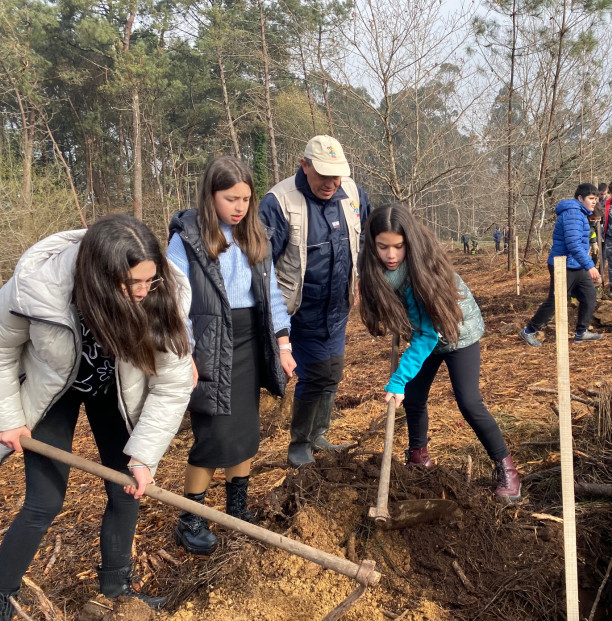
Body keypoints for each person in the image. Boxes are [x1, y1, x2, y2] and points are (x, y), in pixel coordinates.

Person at [0, 215, 194, 621]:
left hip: (116, 388)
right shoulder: (36, 285)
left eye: (151, 278)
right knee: (44, 502)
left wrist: (143, 456)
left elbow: (172, 383)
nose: (144, 291)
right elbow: (1, 348)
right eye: (133, 283)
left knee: (127, 489)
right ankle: (1, 601)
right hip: (53, 386)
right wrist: (9, 417)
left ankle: (116, 590)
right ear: (100, 276)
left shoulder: (165, 294)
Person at [167, 157, 295, 555]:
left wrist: (283, 343)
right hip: (208, 346)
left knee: (244, 433)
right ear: (210, 196)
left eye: (245, 199)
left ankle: (236, 509)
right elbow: (174, 302)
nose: (239, 207)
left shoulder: (256, 234)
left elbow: (271, 293)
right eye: (230, 199)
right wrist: (184, 353)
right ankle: (191, 518)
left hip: (250, 344)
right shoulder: (186, 238)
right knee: (213, 436)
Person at [358, 203, 521, 502]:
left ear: (410, 243)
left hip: (457, 331)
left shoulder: (422, 270)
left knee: (469, 402)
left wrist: (397, 380)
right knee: (415, 398)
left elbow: (427, 335)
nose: (391, 255)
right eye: (383, 247)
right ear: (372, 244)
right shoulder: (375, 266)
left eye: (398, 246)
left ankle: (507, 469)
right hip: (425, 332)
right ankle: (419, 457)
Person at [259, 135, 371, 468]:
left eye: (336, 175)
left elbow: (365, 233)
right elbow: (263, 264)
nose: (331, 183)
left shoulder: (351, 192)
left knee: (332, 373)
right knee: (317, 374)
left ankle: (319, 433)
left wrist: (362, 277)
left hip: (337, 307)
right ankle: (299, 444)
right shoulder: (279, 202)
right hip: (298, 308)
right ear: (304, 165)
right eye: (323, 174)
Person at [519, 183, 604, 346]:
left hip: (575, 264)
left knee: (589, 295)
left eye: (596, 199)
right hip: (562, 264)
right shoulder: (573, 213)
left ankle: (581, 332)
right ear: (580, 198)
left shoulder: (580, 213)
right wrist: (590, 265)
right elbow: (573, 244)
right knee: (556, 301)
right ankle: (529, 331)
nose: (594, 202)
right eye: (591, 199)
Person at [588, 182, 608, 264]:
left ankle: (600, 272)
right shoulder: (593, 203)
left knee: (604, 254)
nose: (603, 196)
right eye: (601, 194)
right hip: (595, 231)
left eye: (604, 194)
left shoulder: (608, 203)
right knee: (595, 253)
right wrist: (593, 242)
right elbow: (591, 228)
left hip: (604, 231)